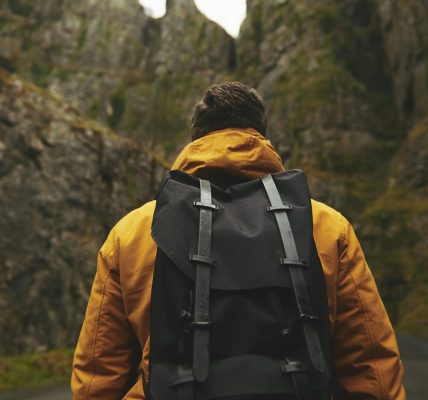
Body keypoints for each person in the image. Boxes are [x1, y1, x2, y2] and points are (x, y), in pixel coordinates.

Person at [71, 82, 405, 399]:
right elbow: (372, 369)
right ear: (260, 135)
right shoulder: (326, 226)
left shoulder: (133, 232)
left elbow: (98, 377)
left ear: (196, 138)